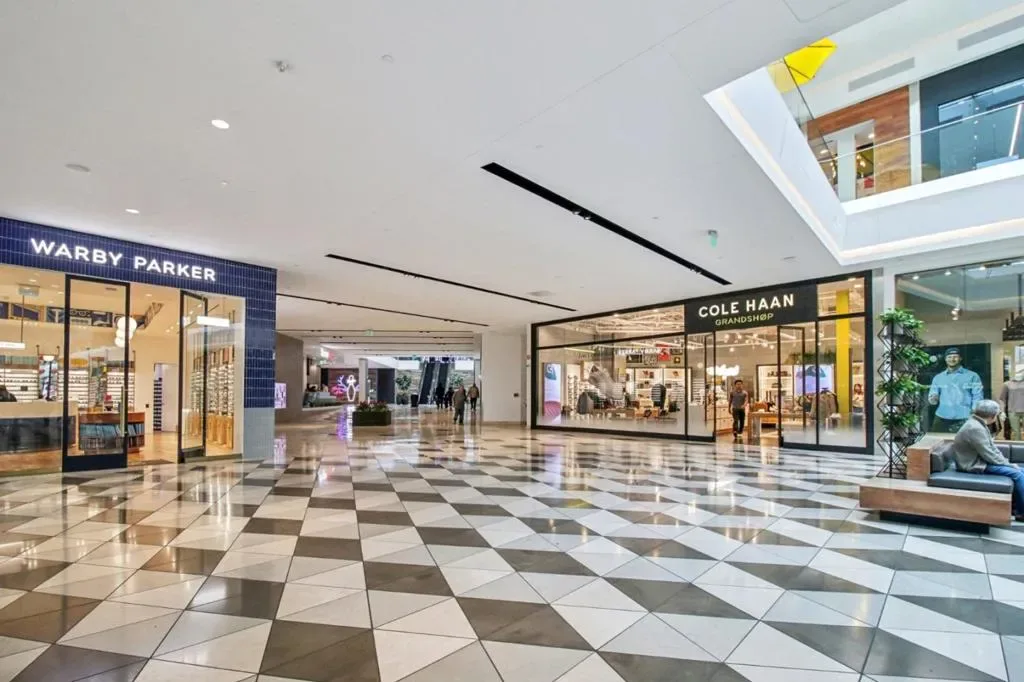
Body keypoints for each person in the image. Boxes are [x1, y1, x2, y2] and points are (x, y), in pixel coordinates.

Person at [950, 399, 1024, 520]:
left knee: (1021, 471)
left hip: (981, 461)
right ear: (993, 416)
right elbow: (988, 454)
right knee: (1018, 474)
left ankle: (1016, 507)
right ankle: (1022, 512)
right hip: (974, 465)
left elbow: (992, 449)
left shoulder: (978, 424)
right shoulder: (975, 428)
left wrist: (1007, 463)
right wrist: (1009, 465)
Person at [928, 348, 984, 433]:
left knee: (964, 441)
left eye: (955, 357)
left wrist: (974, 414)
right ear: (945, 359)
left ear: (960, 358)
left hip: (965, 417)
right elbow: (933, 398)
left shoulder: (972, 376)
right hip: (942, 416)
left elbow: (977, 396)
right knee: (936, 440)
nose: (952, 359)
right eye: (949, 357)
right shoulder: (938, 377)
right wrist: (933, 399)